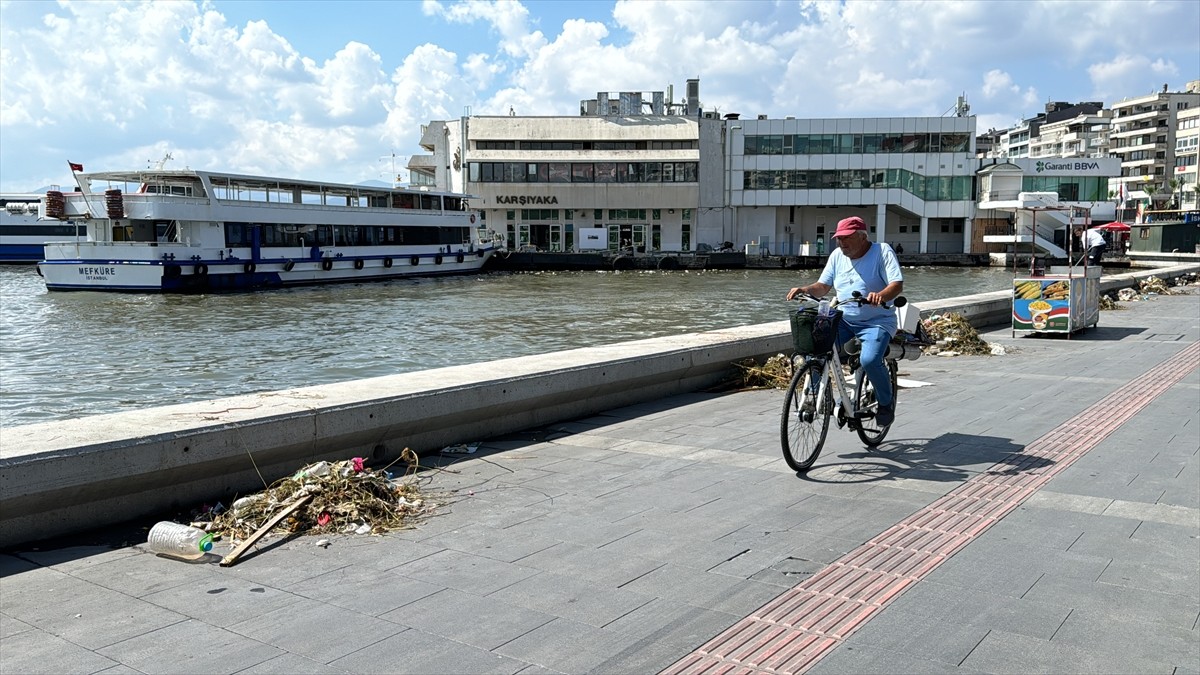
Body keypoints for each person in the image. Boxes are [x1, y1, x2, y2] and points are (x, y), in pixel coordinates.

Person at [786, 216, 904, 426]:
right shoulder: (836, 256)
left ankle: (886, 404)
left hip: (876, 321)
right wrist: (804, 289)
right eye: (838, 238)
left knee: (869, 360)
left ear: (862, 236)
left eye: (846, 238)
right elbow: (823, 286)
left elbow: (896, 284)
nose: (841, 243)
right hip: (843, 319)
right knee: (816, 347)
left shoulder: (881, 251)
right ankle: (814, 395)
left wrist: (881, 296)